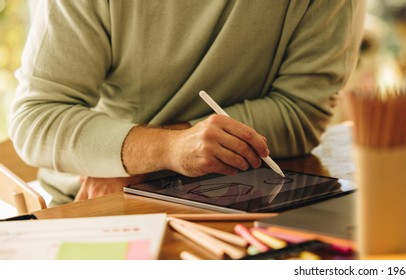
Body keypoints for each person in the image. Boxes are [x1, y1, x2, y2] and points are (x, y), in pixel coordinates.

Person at [9, 0, 365, 205]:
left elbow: (299, 114)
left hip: (245, 197)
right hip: (95, 203)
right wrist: (169, 148)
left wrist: (147, 164)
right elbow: (36, 118)